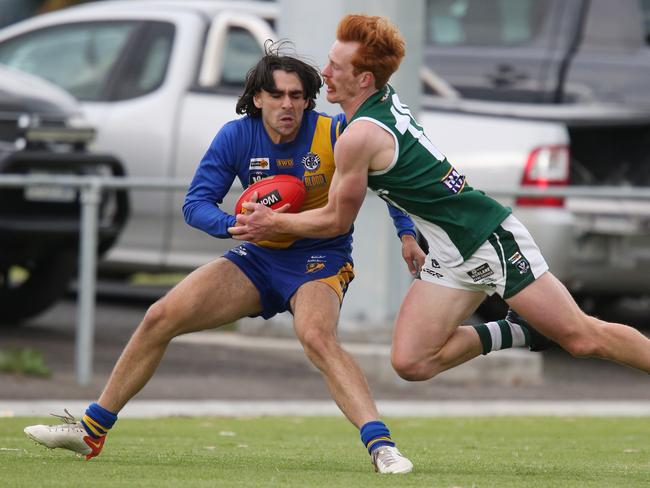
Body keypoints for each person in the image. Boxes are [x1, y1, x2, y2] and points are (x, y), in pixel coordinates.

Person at [23, 42, 424, 475]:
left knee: (316, 336)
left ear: (309, 99)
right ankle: (91, 431)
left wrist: (407, 235)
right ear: (258, 98)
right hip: (256, 256)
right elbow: (196, 203)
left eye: (297, 95)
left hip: (318, 259)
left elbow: (389, 180)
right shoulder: (236, 135)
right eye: (277, 95)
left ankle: (382, 446)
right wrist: (236, 225)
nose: (287, 105)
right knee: (160, 316)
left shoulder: (336, 132)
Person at [229, 15, 650, 390]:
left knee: (582, 337)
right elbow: (402, 180)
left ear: (364, 81)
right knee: (411, 361)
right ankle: (523, 332)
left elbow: (337, 221)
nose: (325, 73)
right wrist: (409, 232)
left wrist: (276, 224)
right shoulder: (378, 105)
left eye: (337, 67)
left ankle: (542, 331)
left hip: (486, 237)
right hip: (449, 250)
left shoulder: (359, 137)